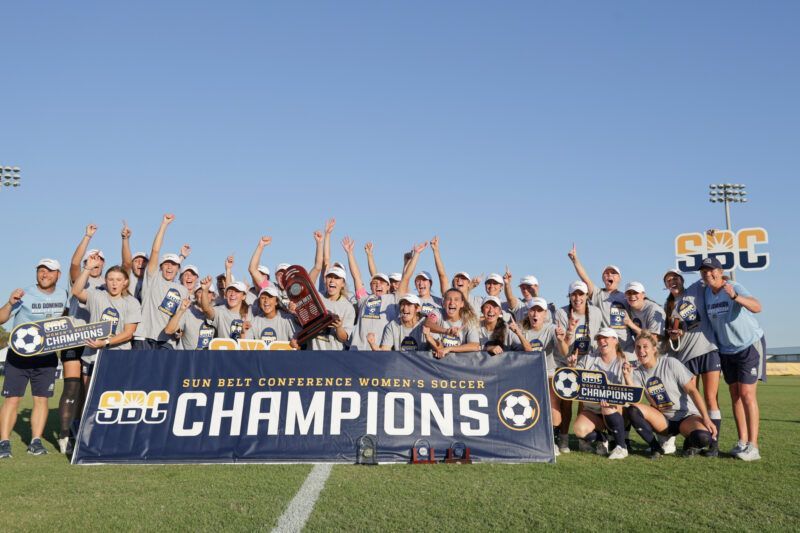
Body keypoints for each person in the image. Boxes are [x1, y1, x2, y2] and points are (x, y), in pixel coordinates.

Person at [0, 259, 69, 458]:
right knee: (12, 400)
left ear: (58, 274)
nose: (44, 274)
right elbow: (2, 318)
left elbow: (66, 317)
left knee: (41, 400)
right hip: (19, 356)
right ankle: (4, 443)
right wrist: (9, 303)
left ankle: (35, 442)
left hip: (46, 357)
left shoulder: (63, 294)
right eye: (41, 270)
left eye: (49, 271)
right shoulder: (24, 293)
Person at [700, 256, 765, 461]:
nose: (708, 273)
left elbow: (757, 306)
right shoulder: (706, 293)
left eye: (711, 270)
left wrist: (735, 296)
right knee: (735, 395)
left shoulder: (733, 286)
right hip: (727, 351)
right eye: (704, 271)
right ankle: (742, 442)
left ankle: (753, 446)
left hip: (748, 345)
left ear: (720, 271)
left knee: (747, 393)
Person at [623, 332, 718, 459]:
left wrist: (706, 418)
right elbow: (634, 402)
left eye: (645, 346)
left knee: (704, 438)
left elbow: (693, 391)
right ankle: (655, 447)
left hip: (686, 416)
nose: (641, 351)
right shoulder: (638, 373)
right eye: (638, 347)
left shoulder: (670, 363)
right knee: (632, 410)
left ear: (654, 349)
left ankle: (689, 444)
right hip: (663, 419)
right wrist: (627, 377)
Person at [663, 268, 722, 456]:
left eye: (675, 278)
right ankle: (693, 441)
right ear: (665, 286)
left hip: (708, 349)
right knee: (691, 402)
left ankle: (714, 445)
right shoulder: (669, 306)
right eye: (668, 280)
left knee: (711, 398)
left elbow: (711, 277)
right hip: (686, 357)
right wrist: (676, 334)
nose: (672, 281)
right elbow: (673, 339)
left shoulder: (697, 288)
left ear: (682, 280)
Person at [60, 224, 106, 453]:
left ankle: (83, 431)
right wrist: (87, 237)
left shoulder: (108, 285)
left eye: (99, 259)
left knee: (89, 389)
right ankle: (65, 434)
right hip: (73, 337)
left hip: (93, 340)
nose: (95, 262)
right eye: (92, 259)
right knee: (71, 386)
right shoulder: (81, 277)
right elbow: (74, 263)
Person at [71, 253, 141, 394]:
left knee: (113, 394)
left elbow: (128, 333)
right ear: (106, 281)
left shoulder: (132, 302)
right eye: (111, 279)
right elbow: (76, 291)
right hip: (91, 355)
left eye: (118, 280)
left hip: (118, 356)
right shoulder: (97, 295)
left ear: (125, 282)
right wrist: (87, 269)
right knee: (89, 395)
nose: (114, 283)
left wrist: (105, 343)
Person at [342, 237, 419, 350]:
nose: (378, 285)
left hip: (381, 353)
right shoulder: (363, 299)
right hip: (357, 351)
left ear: (388, 286)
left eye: (382, 283)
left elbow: (406, 278)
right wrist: (349, 253)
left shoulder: (394, 299)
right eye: (374, 283)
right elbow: (356, 277)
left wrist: (416, 255)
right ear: (370, 286)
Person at [554, 280, 603, 453]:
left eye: (580, 294)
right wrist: (569, 332)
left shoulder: (596, 312)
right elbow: (563, 346)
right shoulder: (561, 313)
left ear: (586, 295)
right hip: (565, 361)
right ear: (569, 296)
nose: (577, 298)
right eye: (574, 294)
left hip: (588, 363)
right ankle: (564, 438)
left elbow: (600, 337)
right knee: (566, 403)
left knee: (586, 403)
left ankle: (584, 440)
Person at [570, 328, 629, 459]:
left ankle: (621, 446)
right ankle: (602, 438)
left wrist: (627, 376)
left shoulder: (624, 361)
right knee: (579, 430)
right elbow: (575, 381)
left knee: (606, 404)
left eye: (605, 338)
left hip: (614, 410)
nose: (601, 341)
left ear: (615, 341)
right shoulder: (588, 359)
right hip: (592, 409)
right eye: (599, 338)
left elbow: (631, 393)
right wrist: (572, 367)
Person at [519, 297, 569, 453]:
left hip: (548, 374)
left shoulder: (552, 328)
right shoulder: (521, 329)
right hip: (527, 376)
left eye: (539, 311)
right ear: (528, 312)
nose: (535, 313)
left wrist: (561, 340)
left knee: (555, 412)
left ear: (545, 314)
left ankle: (552, 440)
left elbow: (564, 351)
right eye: (533, 310)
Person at [135, 214, 190, 349]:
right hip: (144, 337)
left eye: (174, 265)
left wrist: (178, 331)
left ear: (178, 269)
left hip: (166, 341)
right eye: (166, 264)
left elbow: (179, 319)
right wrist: (164, 225)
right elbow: (155, 251)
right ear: (161, 267)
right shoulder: (153, 278)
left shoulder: (183, 290)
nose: (170, 267)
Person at [568, 244, 631, 352]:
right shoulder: (598, 294)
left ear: (619, 278)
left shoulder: (627, 296)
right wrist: (575, 260)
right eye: (606, 273)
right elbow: (585, 278)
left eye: (613, 273)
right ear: (603, 278)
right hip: (607, 346)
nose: (609, 275)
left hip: (626, 347)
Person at [430, 236, 483, 314]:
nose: (459, 280)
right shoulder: (448, 295)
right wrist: (436, 250)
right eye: (456, 278)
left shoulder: (477, 301)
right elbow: (442, 275)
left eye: (463, 278)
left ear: (469, 283)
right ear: (452, 284)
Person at [423, 288, 480, 359]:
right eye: (449, 299)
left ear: (462, 304)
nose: (452, 302)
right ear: (443, 303)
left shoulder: (469, 320)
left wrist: (449, 349)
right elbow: (427, 323)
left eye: (456, 299)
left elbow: (475, 345)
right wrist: (447, 331)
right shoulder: (437, 312)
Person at [164, 285, 218, 350]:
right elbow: (168, 331)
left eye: (208, 292)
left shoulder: (217, 312)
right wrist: (181, 310)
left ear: (213, 296)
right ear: (195, 295)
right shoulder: (187, 312)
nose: (204, 294)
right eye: (200, 292)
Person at [623, 281, 666, 352]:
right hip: (641, 352)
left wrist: (630, 324)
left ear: (643, 294)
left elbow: (653, 339)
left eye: (635, 292)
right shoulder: (628, 307)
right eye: (629, 293)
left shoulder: (654, 310)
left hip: (658, 352)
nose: (632, 296)